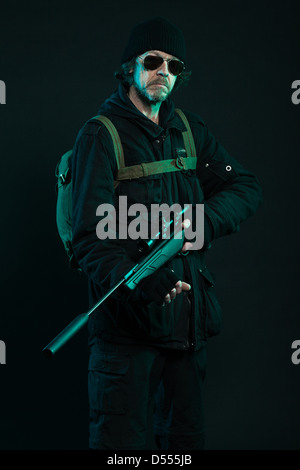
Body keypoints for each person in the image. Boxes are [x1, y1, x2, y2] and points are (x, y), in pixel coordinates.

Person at [71, 17, 262, 450]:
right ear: (130, 68)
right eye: (153, 61)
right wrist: (140, 281)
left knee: (182, 450)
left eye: (174, 66)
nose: (164, 72)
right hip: (125, 344)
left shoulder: (190, 132)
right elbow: (88, 239)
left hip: (187, 338)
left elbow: (246, 186)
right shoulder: (101, 137)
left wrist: (201, 223)